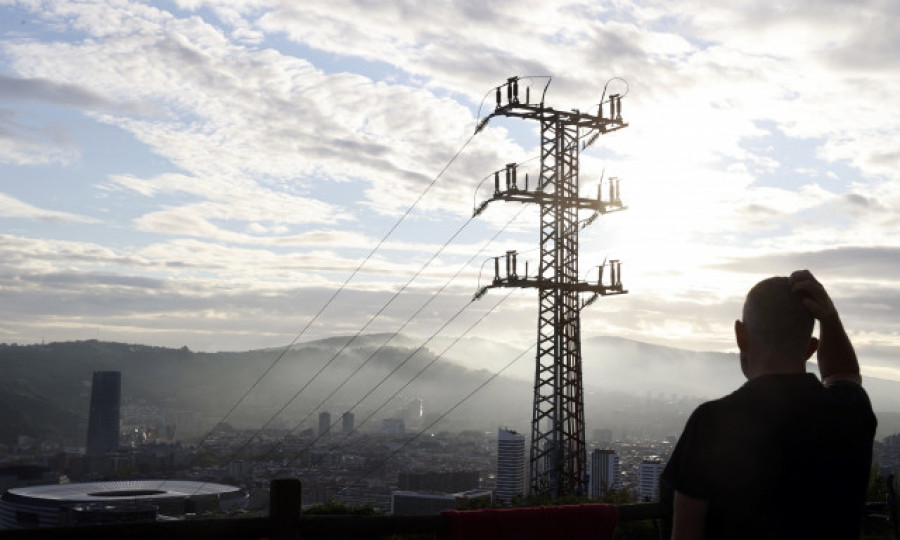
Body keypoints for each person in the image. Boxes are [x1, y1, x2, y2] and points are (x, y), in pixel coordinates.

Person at [662, 270, 877, 539]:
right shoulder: (851, 411)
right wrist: (829, 318)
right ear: (811, 348)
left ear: (741, 335)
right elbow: (843, 373)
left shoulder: (712, 423)